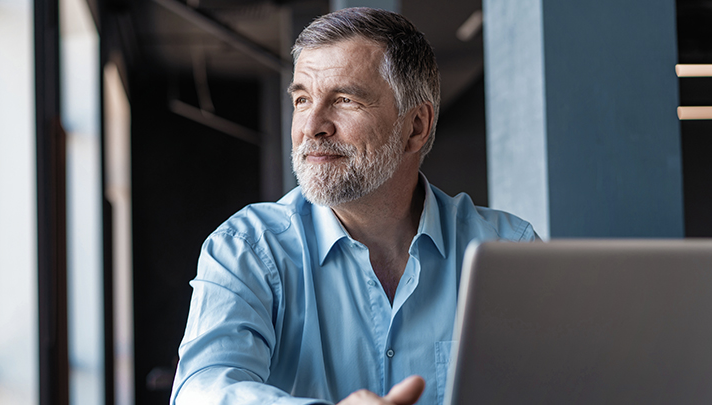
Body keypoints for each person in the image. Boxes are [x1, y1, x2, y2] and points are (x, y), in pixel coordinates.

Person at [169, 7, 537, 405]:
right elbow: (201, 388)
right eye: (303, 100)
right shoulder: (249, 249)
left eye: (344, 100)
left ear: (415, 126)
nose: (312, 126)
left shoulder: (507, 250)